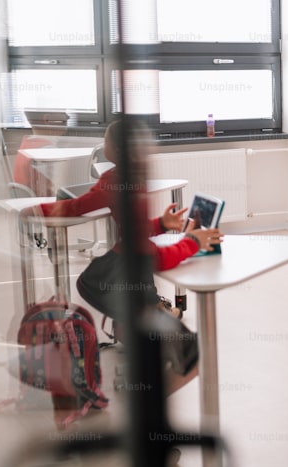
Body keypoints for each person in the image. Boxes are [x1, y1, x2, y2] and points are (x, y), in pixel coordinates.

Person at [39, 120, 223, 395]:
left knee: (132, 323)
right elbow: (146, 245)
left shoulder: (118, 180)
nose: (103, 145)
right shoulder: (127, 180)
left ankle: (151, 382)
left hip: (122, 273)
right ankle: (150, 390)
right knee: (183, 349)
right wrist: (178, 234)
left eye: (106, 140)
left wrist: (170, 230)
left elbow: (141, 239)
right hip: (127, 274)